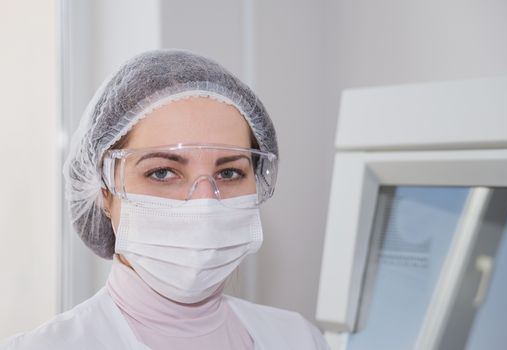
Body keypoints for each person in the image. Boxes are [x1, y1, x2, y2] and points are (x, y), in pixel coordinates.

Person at [0, 50, 329, 349]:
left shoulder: (299, 339)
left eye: (229, 173)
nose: (205, 204)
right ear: (103, 191)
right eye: (162, 173)